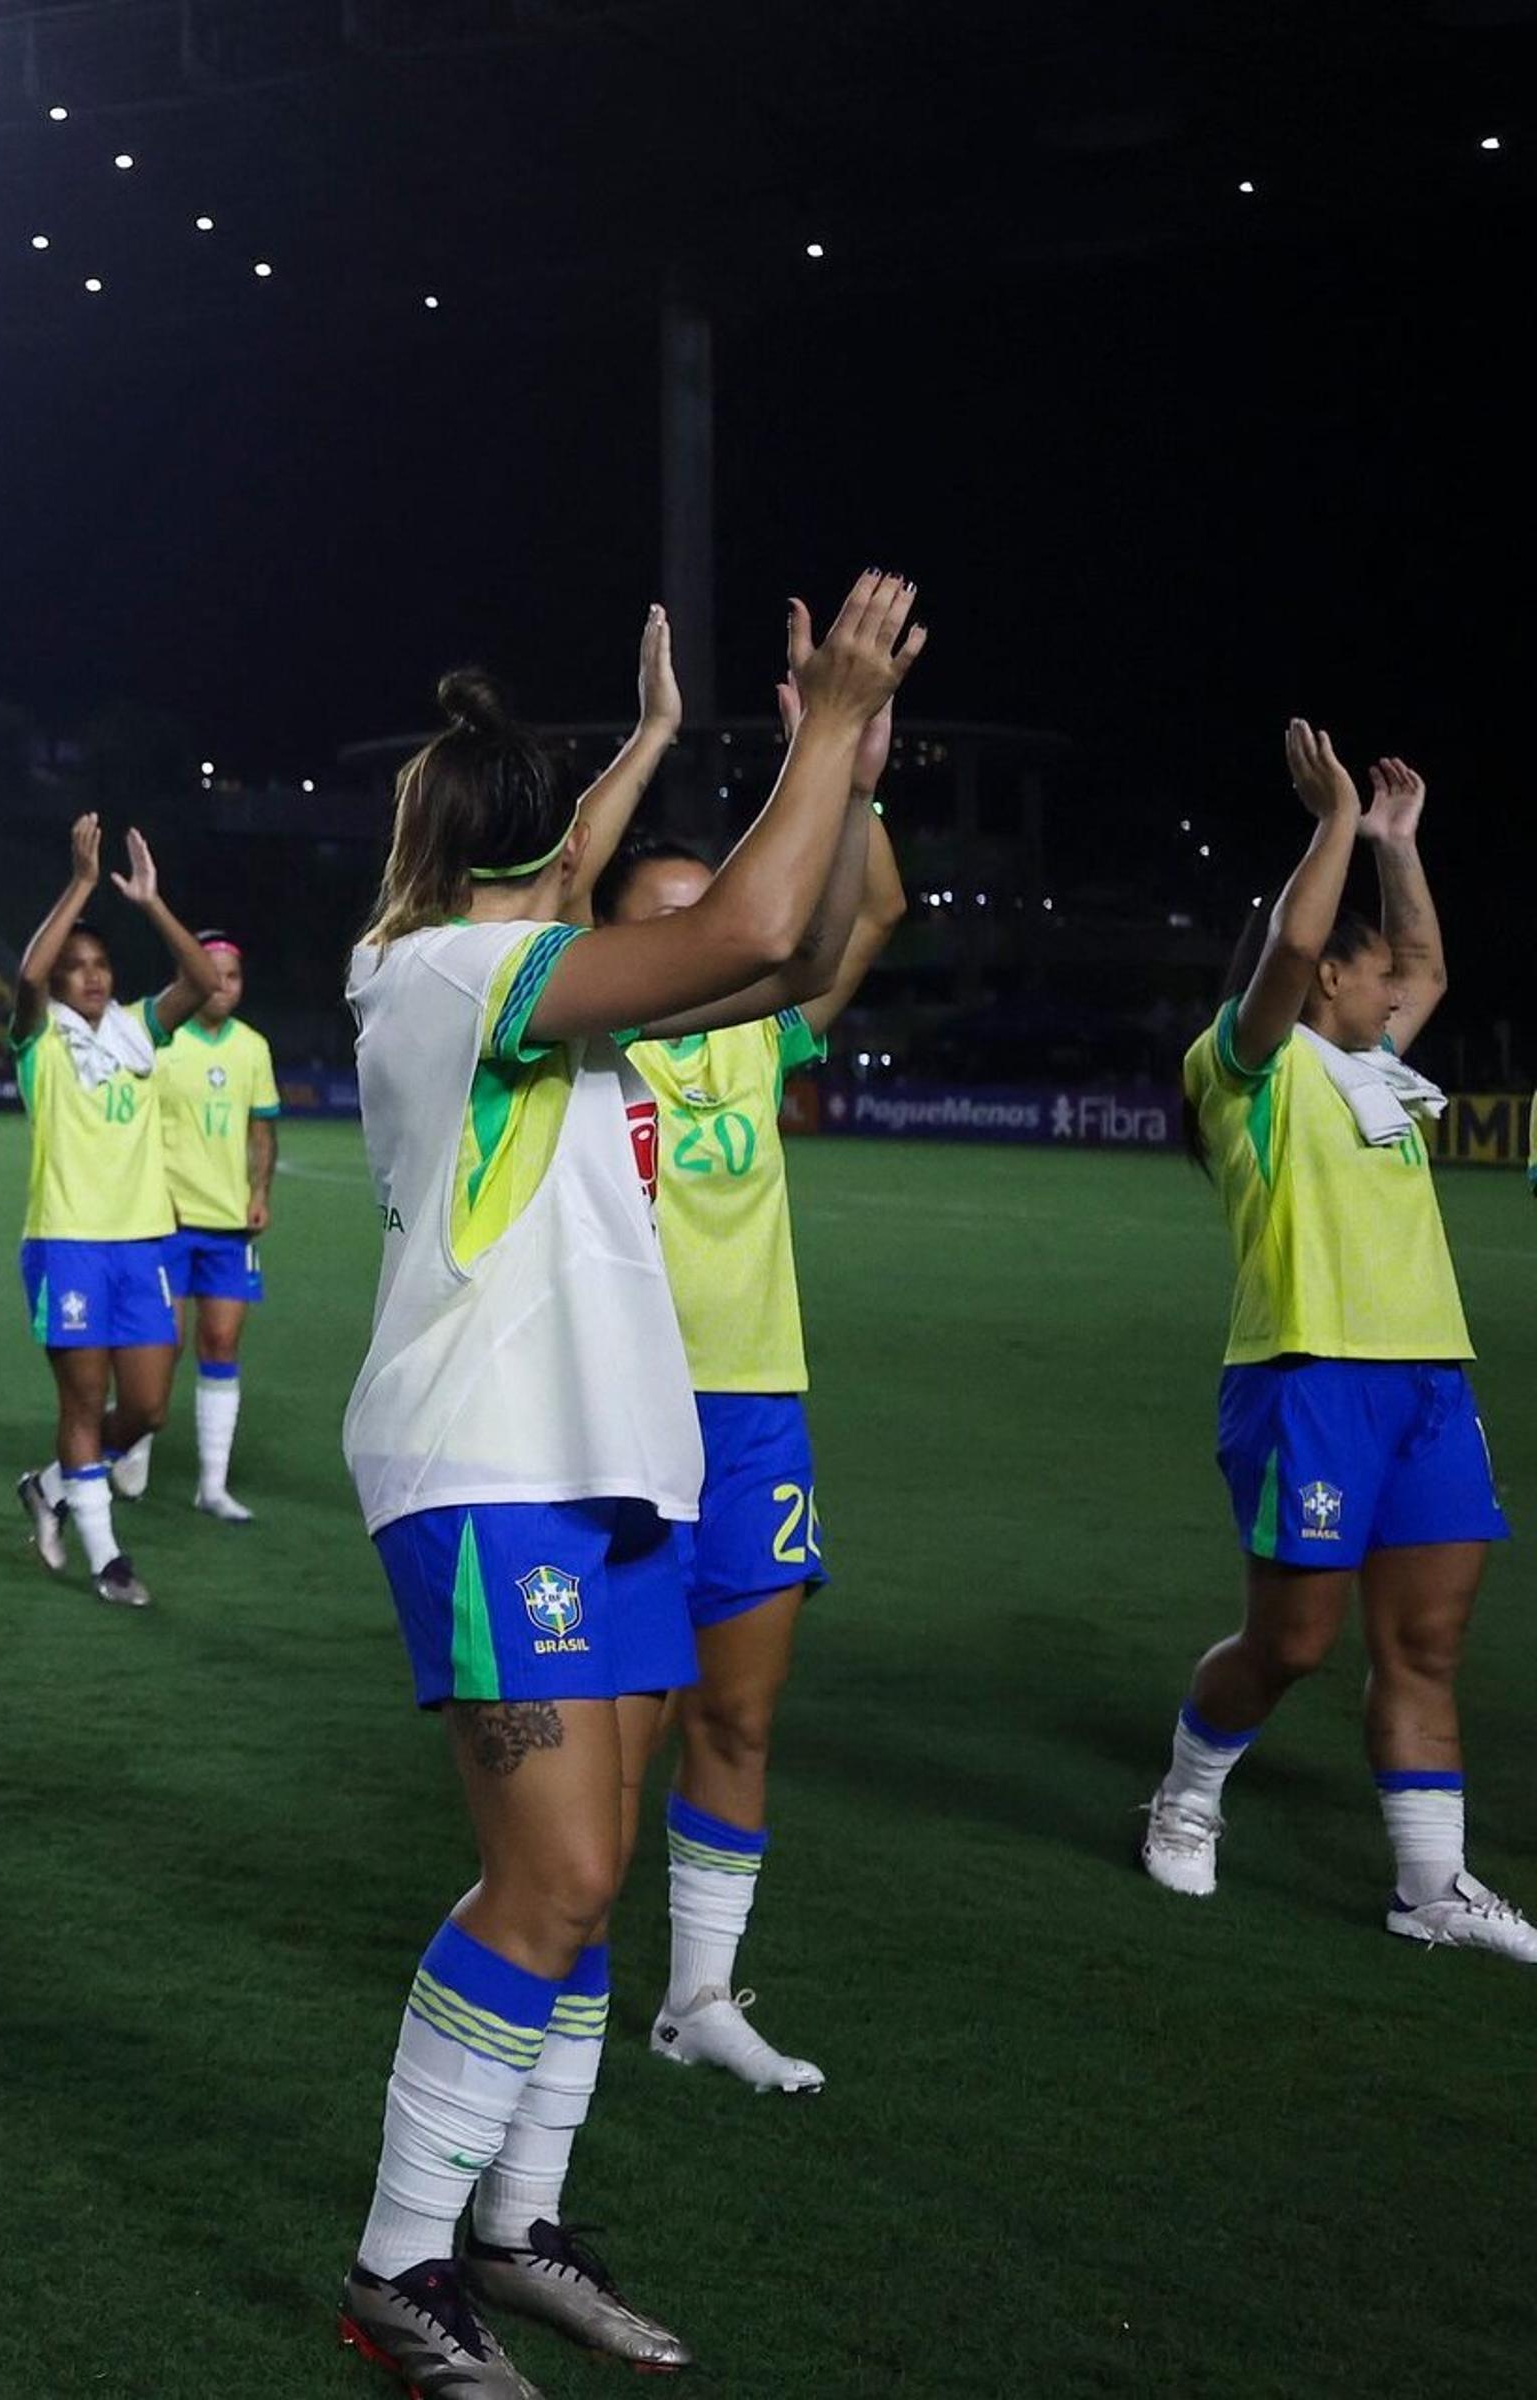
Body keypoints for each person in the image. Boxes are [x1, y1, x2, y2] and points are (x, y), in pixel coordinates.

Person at [332, 580, 921, 2399]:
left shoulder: (498, 955)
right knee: (564, 1867)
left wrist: (669, 744)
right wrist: (821, 727)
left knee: (583, 1893)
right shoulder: (450, 978)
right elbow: (745, 918)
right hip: (490, 1467)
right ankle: (396, 2262)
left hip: (614, 1467)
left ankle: (517, 2223)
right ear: (538, 879)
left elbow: (758, 948)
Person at [583, 616, 909, 2095]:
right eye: (676, 913)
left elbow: (864, 916)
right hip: (619, 1410)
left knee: (741, 1709)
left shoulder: (757, 1041)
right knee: (625, 1720)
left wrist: (842, 770)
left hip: (757, 1404)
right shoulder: (582, 1047)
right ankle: (561, 1966)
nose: (714, 925)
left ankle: (699, 1996)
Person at [1139, 734, 1527, 1959]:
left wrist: (1397, 846)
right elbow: (1298, 945)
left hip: (1425, 1382)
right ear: (1317, 987)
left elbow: (1428, 962)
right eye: (1370, 982)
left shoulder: (1370, 1069)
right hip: (1305, 1377)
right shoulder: (1246, 1067)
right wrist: (1334, 822)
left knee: (1425, 1642)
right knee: (1295, 1641)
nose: (1393, 994)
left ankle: (1430, 1889)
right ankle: (1185, 1798)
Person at [5, 814, 217, 1608]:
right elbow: (26, 978)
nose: (91, 976)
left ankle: (51, 1486)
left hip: (144, 1247)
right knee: (84, 1403)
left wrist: (154, 904)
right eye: (77, 966)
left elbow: (201, 983)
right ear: (60, 983)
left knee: (152, 1406)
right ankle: (108, 1558)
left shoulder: (137, 1034)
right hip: (67, 1246)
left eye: (100, 964)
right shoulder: (41, 1045)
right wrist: (84, 884)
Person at [151, 932, 281, 1523]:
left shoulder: (253, 1048)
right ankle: (131, 1458)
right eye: (214, 974)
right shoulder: (159, 1042)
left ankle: (213, 1485)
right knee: (158, 1348)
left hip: (229, 1227)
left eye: (234, 976)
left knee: (222, 1343)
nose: (225, 986)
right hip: (165, 1220)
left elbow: (262, 1131)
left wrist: (259, 1192)